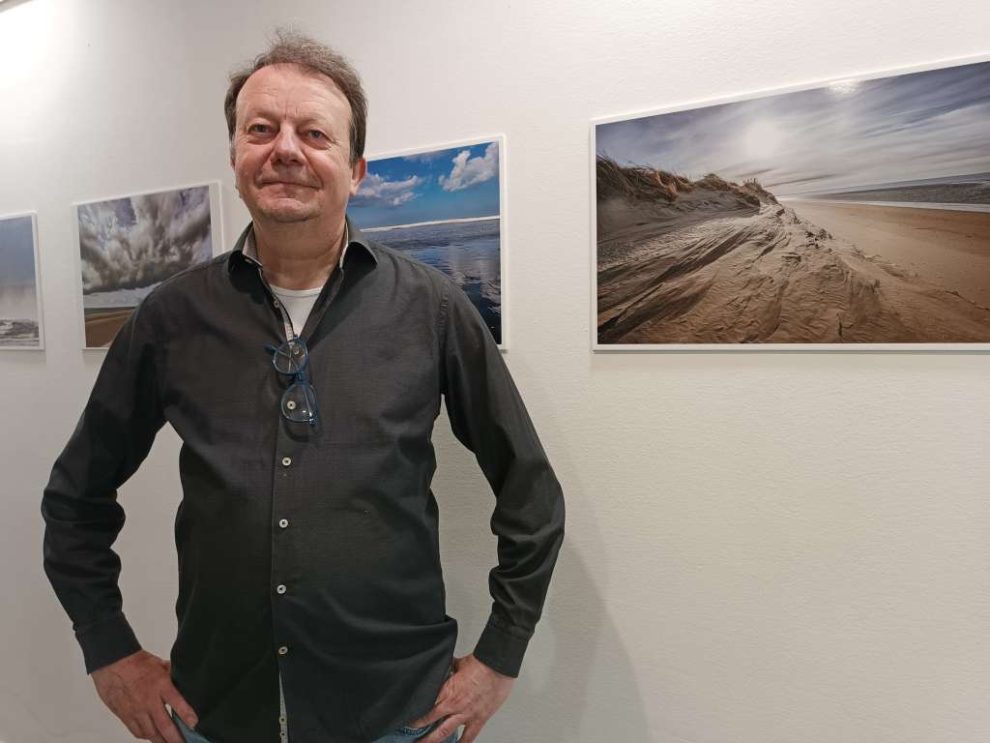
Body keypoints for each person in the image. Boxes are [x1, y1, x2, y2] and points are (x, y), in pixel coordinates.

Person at [41, 31, 564, 743]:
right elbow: (75, 497)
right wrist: (108, 651)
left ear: (356, 170)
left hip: (396, 714)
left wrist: (500, 657)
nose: (285, 149)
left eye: (314, 133)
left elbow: (532, 494)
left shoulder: (433, 308)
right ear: (235, 156)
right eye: (261, 129)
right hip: (218, 712)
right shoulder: (170, 317)